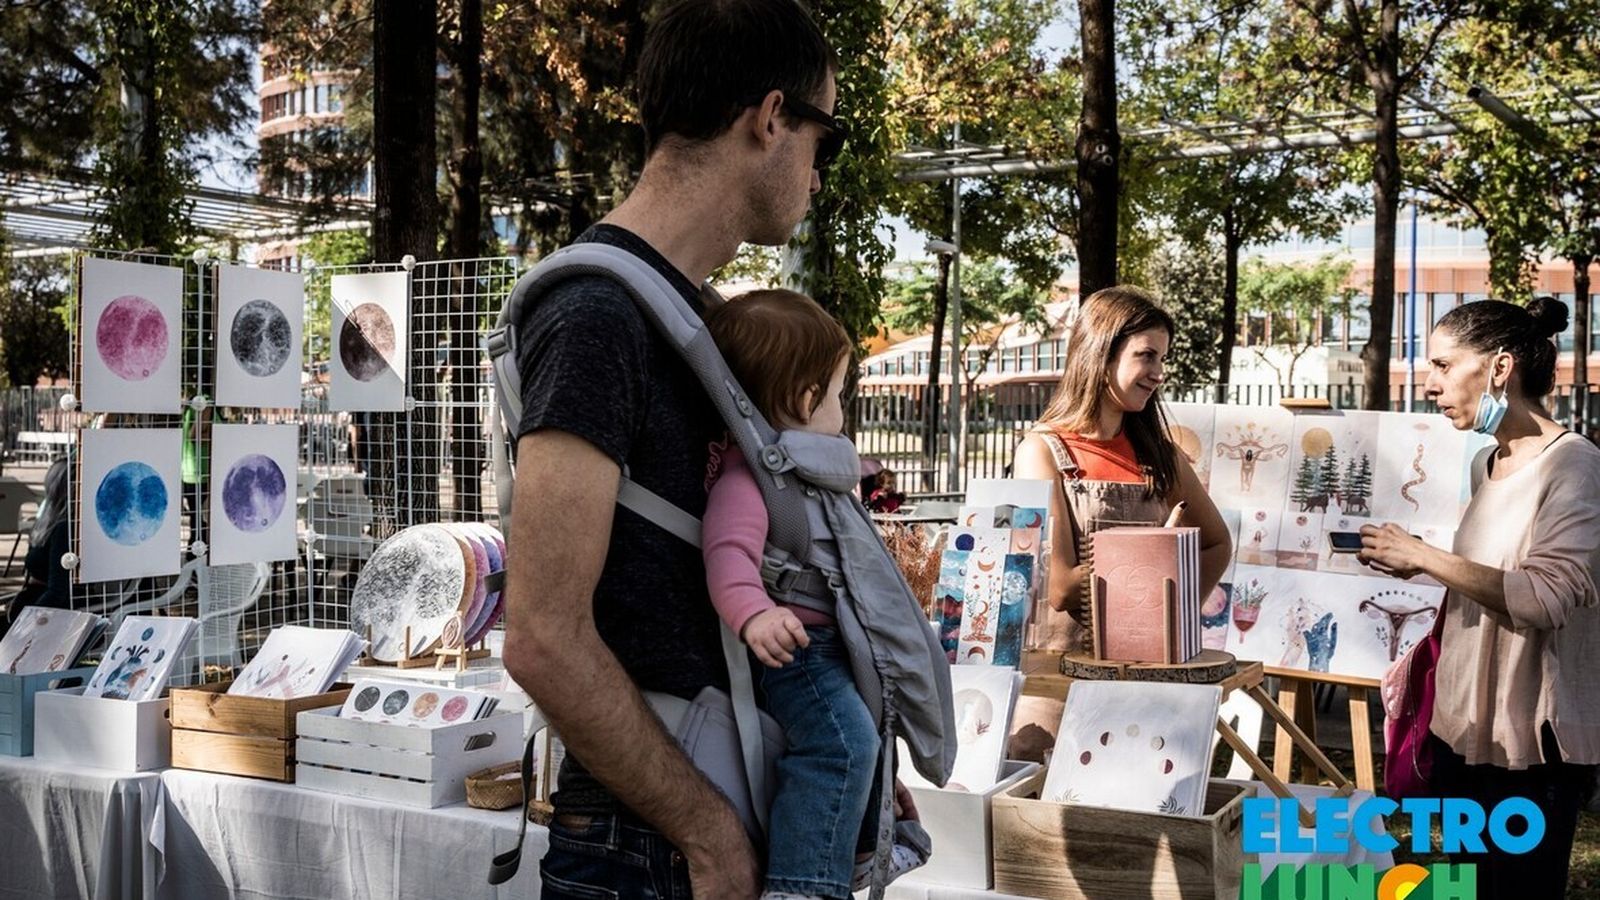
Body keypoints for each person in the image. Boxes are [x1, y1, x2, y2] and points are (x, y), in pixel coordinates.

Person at [499, 3, 862, 897]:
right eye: (828, 138)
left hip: (697, 810)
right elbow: (542, 636)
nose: (820, 173)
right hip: (651, 841)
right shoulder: (598, 316)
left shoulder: (691, 319)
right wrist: (708, 837)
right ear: (770, 118)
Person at [1358, 297, 1600, 899]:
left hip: (1535, 748)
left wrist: (1426, 556)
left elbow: (1547, 597)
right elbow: (1490, 577)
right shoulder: (1484, 464)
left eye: (1443, 365)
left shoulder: (1575, 466)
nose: (1430, 383)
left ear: (1499, 367)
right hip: (1467, 732)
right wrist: (1421, 565)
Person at [702, 290, 926, 900]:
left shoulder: (808, 477)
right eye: (836, 392)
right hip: (799, 651)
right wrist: (754, 614)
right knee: (841, 744)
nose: (839, 406)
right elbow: (727, 553)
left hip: (837, 646)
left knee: (869, 741)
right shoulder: (754, 479)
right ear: (805, 398)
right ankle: (804, 883)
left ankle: (858, 845)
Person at [1011, 286, 1233, 651]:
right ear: (1100, 355)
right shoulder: (1041, 452)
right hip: (1061, 684)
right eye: (1147, 356)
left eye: (1163, 359)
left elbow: (1216, 544)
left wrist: (1173, 620)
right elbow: (1061, 588)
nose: (1159, 373)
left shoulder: (1163, 457)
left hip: (1144, 683)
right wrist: (1157, 561)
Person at [2, 453, 71, 634]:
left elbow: (57, 592)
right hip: (31, 606)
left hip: (38, 615)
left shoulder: (63, 529)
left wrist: (27, 621)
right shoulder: (52, 522)